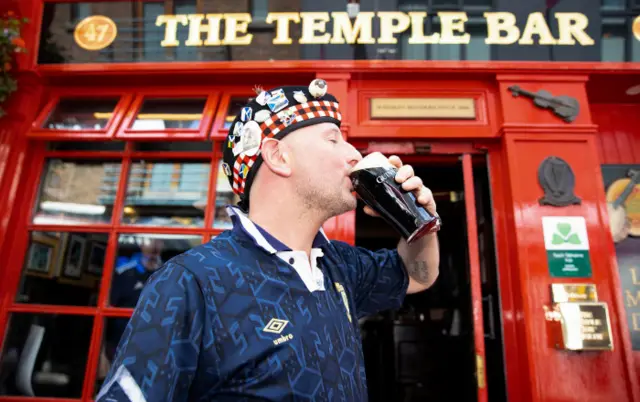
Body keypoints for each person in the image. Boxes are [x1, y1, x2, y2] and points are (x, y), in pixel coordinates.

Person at [96, 80, 440, 401]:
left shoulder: (339, 266)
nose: (353, 154)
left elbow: (419, 274)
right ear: (277, 156)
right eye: (333, 139)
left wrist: (420, 220)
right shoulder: (191, 283)